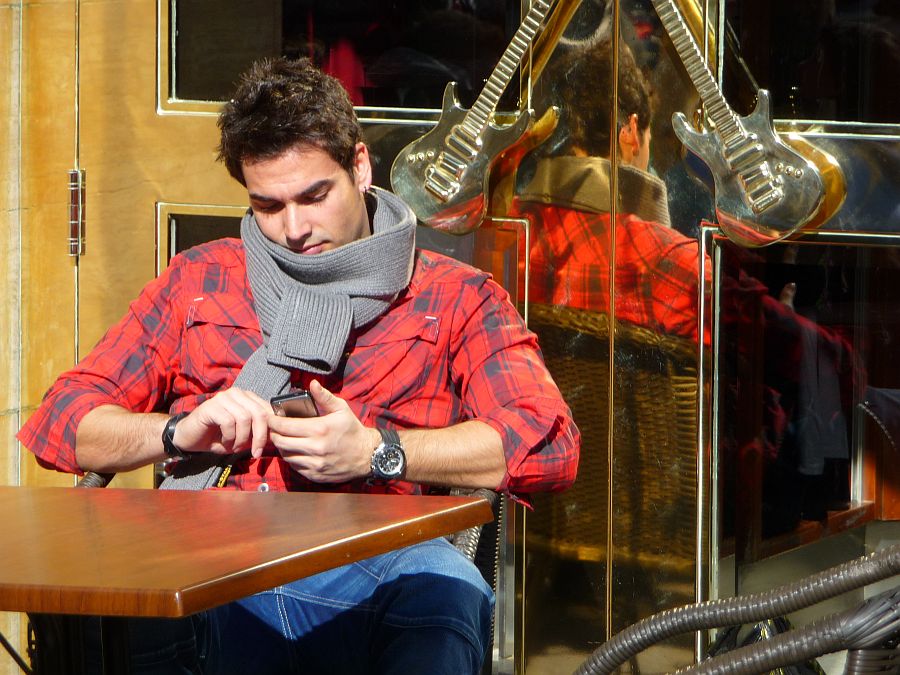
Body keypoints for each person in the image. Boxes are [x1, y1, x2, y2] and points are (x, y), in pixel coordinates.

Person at [17, 57, 579, 674]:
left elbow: (546, 440)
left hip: (373, 564)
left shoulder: (454, 297)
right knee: (114, 602)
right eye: (268, 205)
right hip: (209, 565)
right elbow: (62, 421)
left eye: (315, 196)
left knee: (444, 590)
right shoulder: (199, 280)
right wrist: (177, 431)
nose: (294, 229)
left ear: (359, 167)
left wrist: (378, 452)